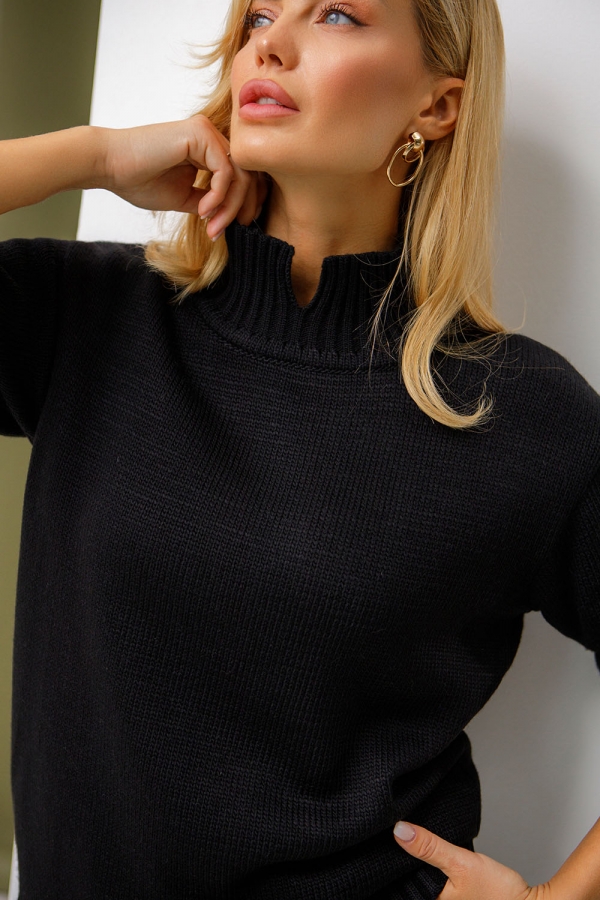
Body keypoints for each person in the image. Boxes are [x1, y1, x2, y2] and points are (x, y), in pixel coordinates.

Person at [1, 0, 599, 897]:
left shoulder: (518, 412)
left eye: (337, 14)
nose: (271, 44)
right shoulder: (89, 318)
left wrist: (559, 898)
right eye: (259, 15)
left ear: (437, 106)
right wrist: (96, 156)